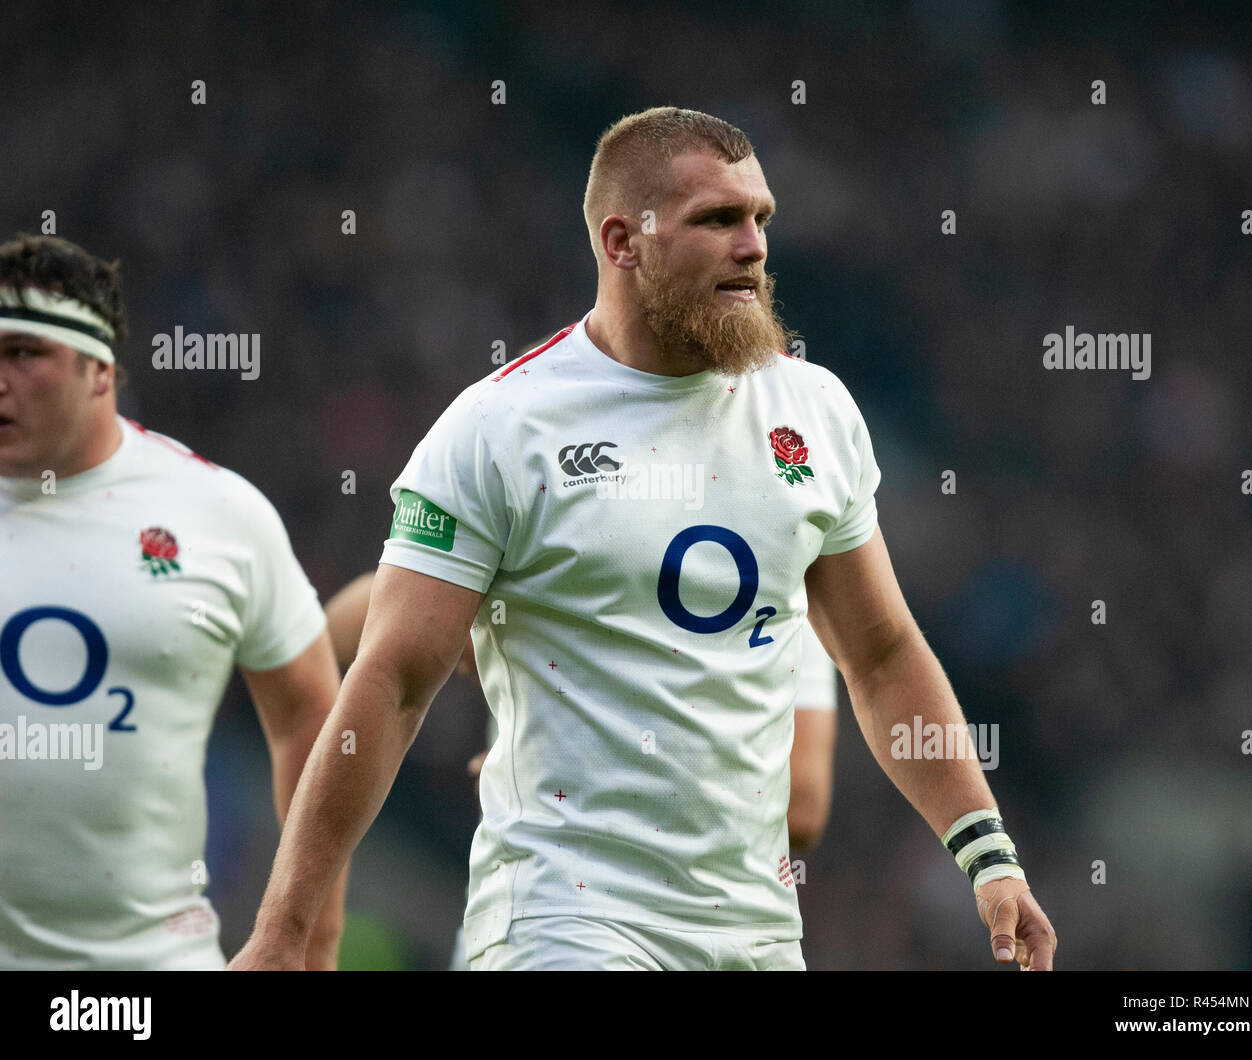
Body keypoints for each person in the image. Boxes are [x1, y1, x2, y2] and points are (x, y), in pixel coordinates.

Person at [232, 106, 1057, 971]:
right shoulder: (499, 428)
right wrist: (285, 932)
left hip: (756, 931)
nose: (754, 247)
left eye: (761, 219)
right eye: (717, 220)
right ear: (623, 241)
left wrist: (989, 858)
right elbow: (392, 684)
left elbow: (882, 655)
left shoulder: (815, 412)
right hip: (564, 921)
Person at [0, 233, 347, 970]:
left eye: (24, 353)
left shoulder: (216, 513)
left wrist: (308, 943)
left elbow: (313, 721)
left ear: (99, 369)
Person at [322, 568, 839, 967]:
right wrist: (455, 608)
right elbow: (341, 629)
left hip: (711, 932)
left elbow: (803, 808)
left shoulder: (774, 592)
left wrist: (580, 770)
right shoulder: (578, 542)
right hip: (545, 919)